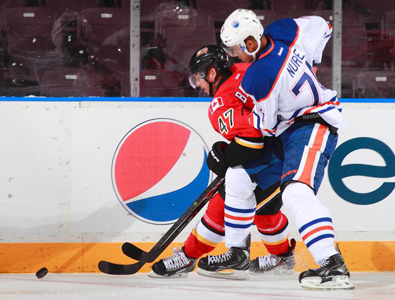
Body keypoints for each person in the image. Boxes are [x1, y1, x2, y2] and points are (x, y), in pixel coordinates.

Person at [217, 9, 354, 289]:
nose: (233, 56)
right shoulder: (283, 30)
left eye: (235, 50)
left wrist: (234, 146)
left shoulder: (258, 75)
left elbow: (264, 128)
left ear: (251, 44)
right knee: (239, 174)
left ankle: (333, 264)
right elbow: (323, 26)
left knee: (295, 191)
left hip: (312, 124)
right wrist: (309, 65)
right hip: (290, 131)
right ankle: (237, 251)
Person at [149, 45, 295, 280]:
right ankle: (282, 258)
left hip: (274, 158)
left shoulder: (219, 105)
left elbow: (251, 140)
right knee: (265, 212)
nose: (200, 86)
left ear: (213, 73)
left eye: (199, 78)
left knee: (224, 202)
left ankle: (192, 257)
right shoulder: (245, 68)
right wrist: (228, 153)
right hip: (292, 143)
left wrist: (225, 156)